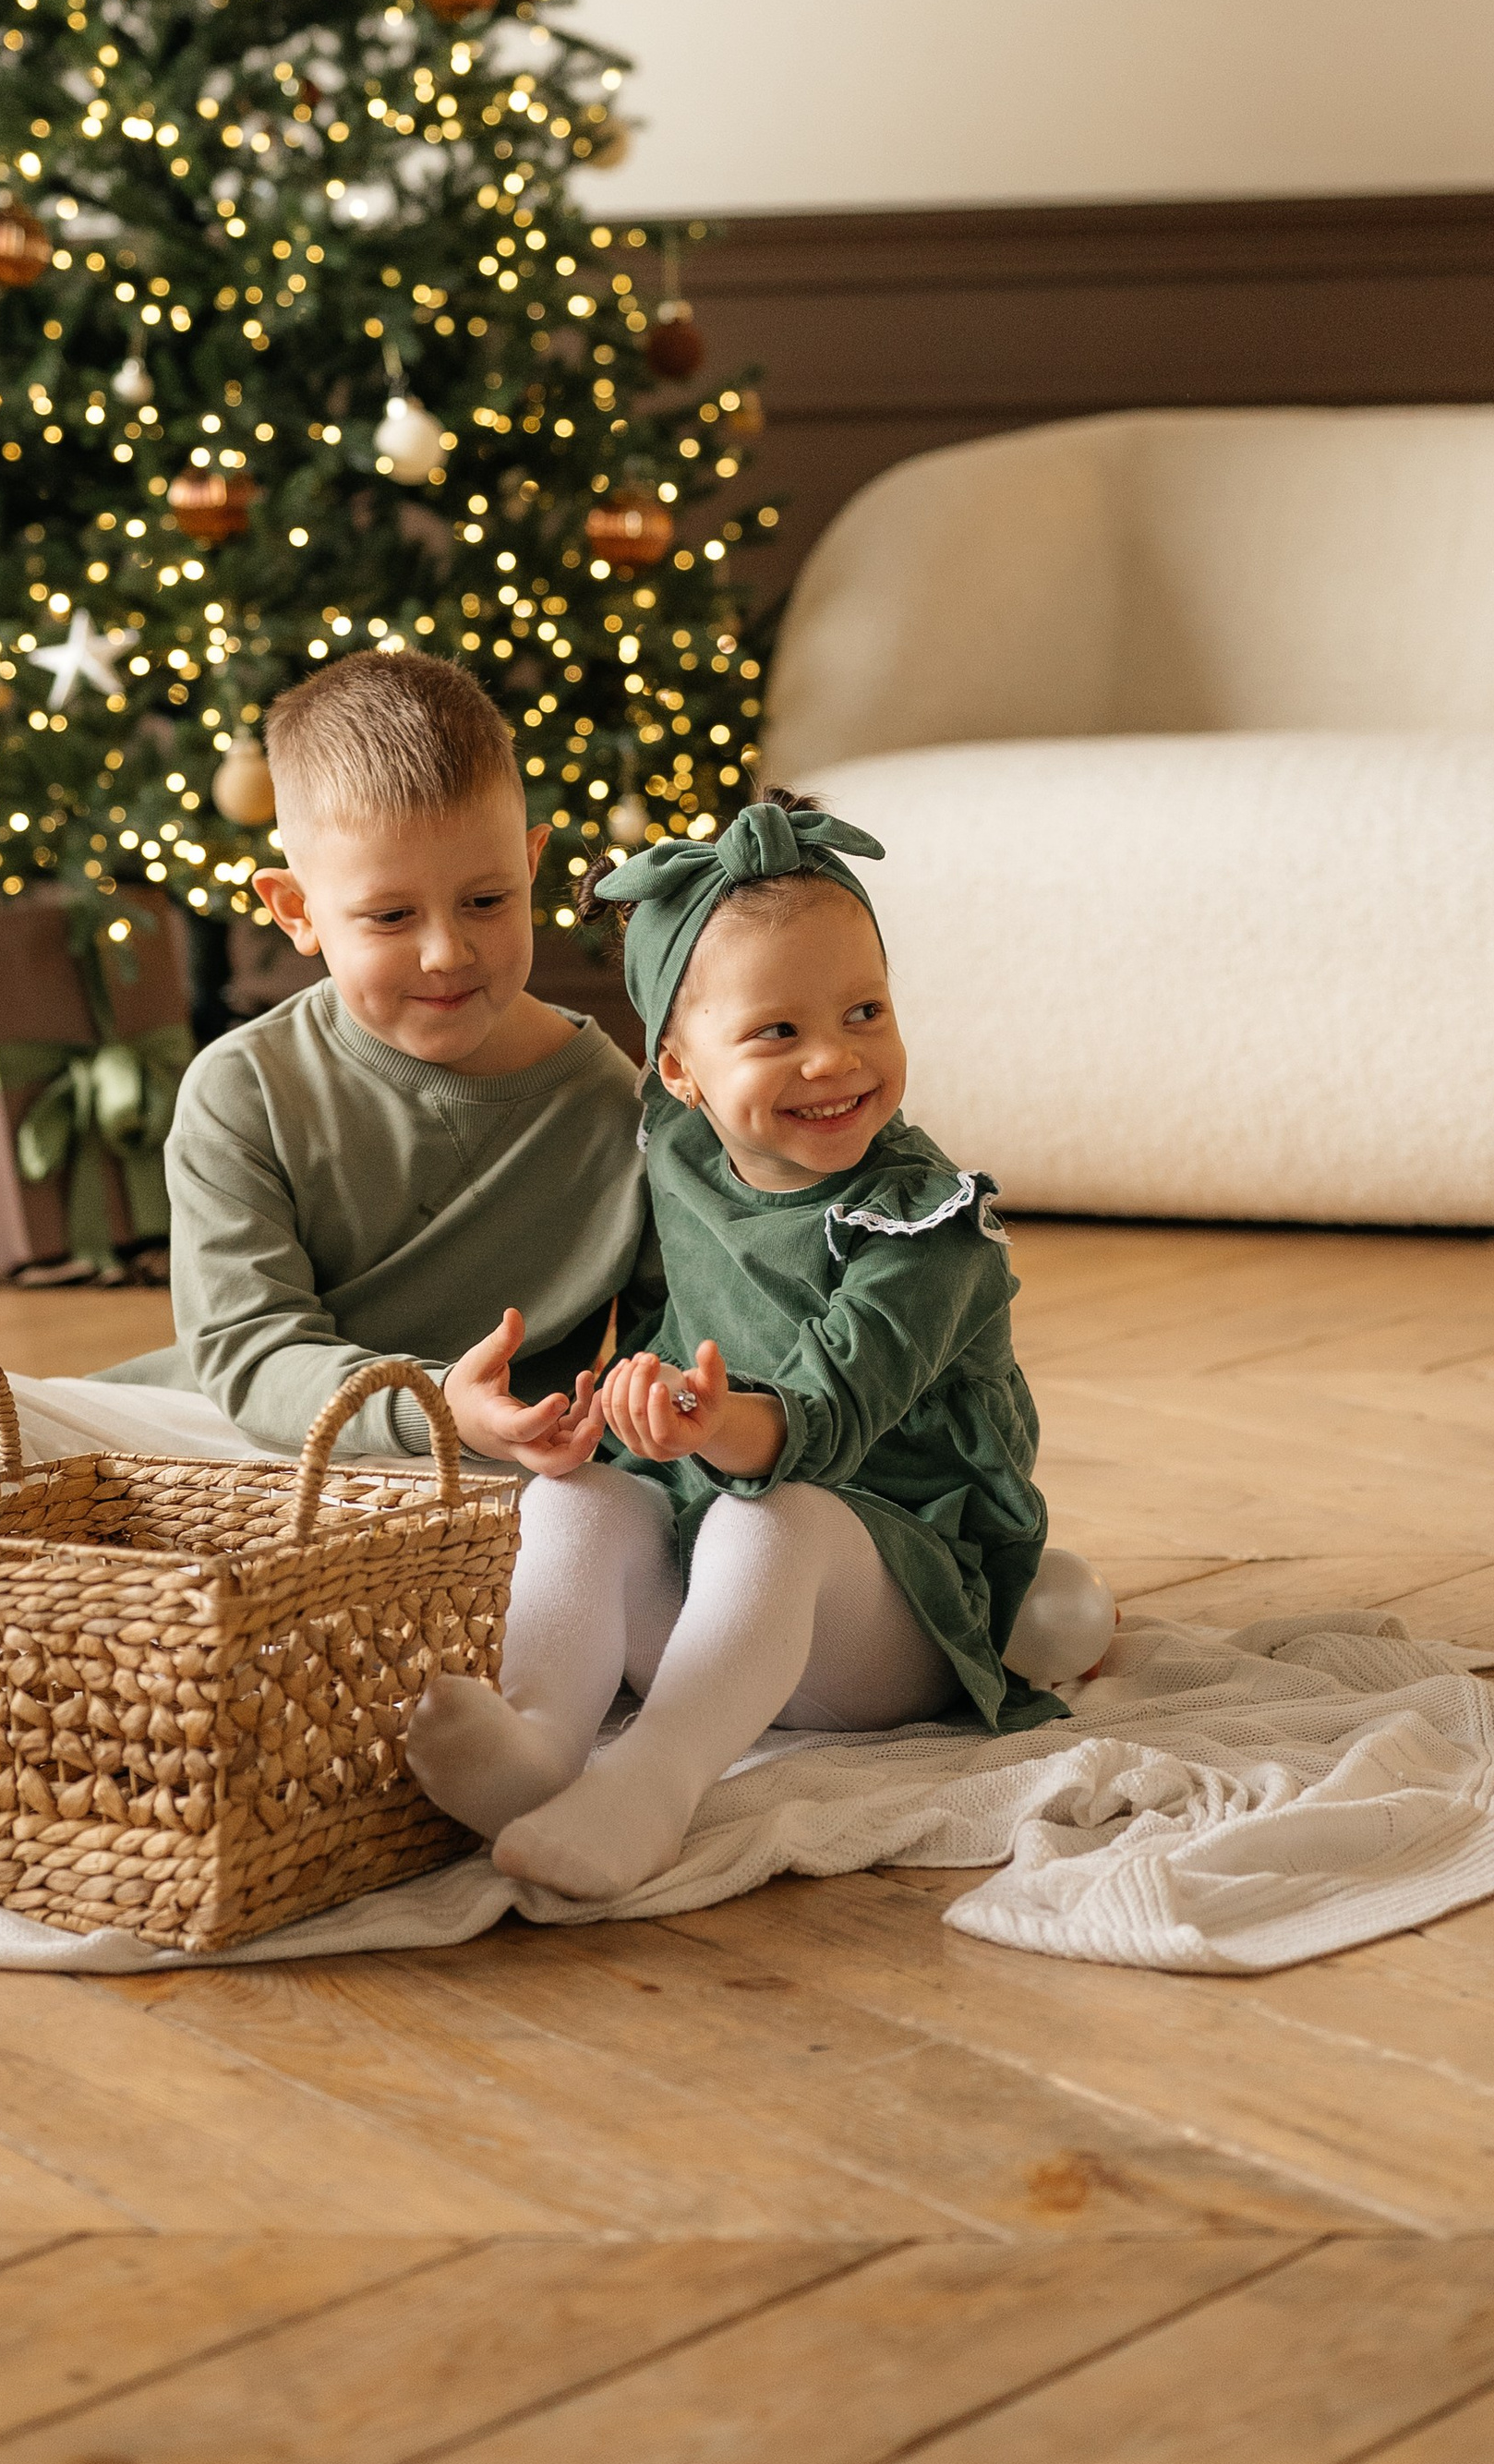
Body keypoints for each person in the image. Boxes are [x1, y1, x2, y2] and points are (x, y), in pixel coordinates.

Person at [404, 797, 1115, 1902]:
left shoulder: (925, 1224)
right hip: (708, 1592)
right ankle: (539, 1742)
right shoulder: (680, 1158)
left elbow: (836, 1406)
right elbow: (654, 1313)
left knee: (772, 1513)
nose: (835, 1058)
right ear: (682, 1074)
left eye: (864, 1010)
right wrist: (604, 1411)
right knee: (577, 1501)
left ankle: (650, 1780)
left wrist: (715, 1423)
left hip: (889, 1608)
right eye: (777, 1031)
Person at [0, 648, 654, 1508]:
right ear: (297, 911)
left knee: (602, 1520)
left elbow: (659, 1359)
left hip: (472, 1485)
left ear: (533, 864)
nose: (446, 951)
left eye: (488, 901)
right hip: (224, 1452)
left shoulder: (624, 1109)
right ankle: (158, 1616)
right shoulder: (244, 1087)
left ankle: (173, 1622)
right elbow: (251, 1353)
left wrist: (572, 1432)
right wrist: (426, 1410)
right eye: (390, 915)